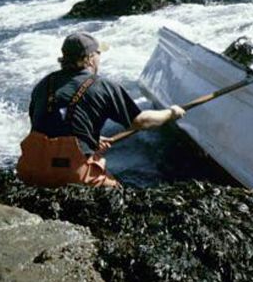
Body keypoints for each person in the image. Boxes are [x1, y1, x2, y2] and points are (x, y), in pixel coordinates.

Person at [17, 32, 185, 187]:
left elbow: (44, 123)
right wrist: (171, 113)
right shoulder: (102, 85)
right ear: (89, 58)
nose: (99, 58)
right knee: (119, 194)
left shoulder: (43, 84)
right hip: (72, 173)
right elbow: (141, 121)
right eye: (98, 53)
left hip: (31, 169)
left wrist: (88, 138)